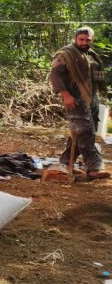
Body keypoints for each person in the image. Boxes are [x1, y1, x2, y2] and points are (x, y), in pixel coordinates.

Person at [48, 26, 109, 180]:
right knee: (85, 132)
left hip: (91, 99)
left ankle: (65, 162)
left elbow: (96, 81)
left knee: (80, 133)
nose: (84, 42)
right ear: (75, 38)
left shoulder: (91, 55)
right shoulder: (66, 54)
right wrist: (66, 95)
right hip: (74, 99)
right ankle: (94, 168)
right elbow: (55, 75)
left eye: (88, 40)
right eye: (81, 39)